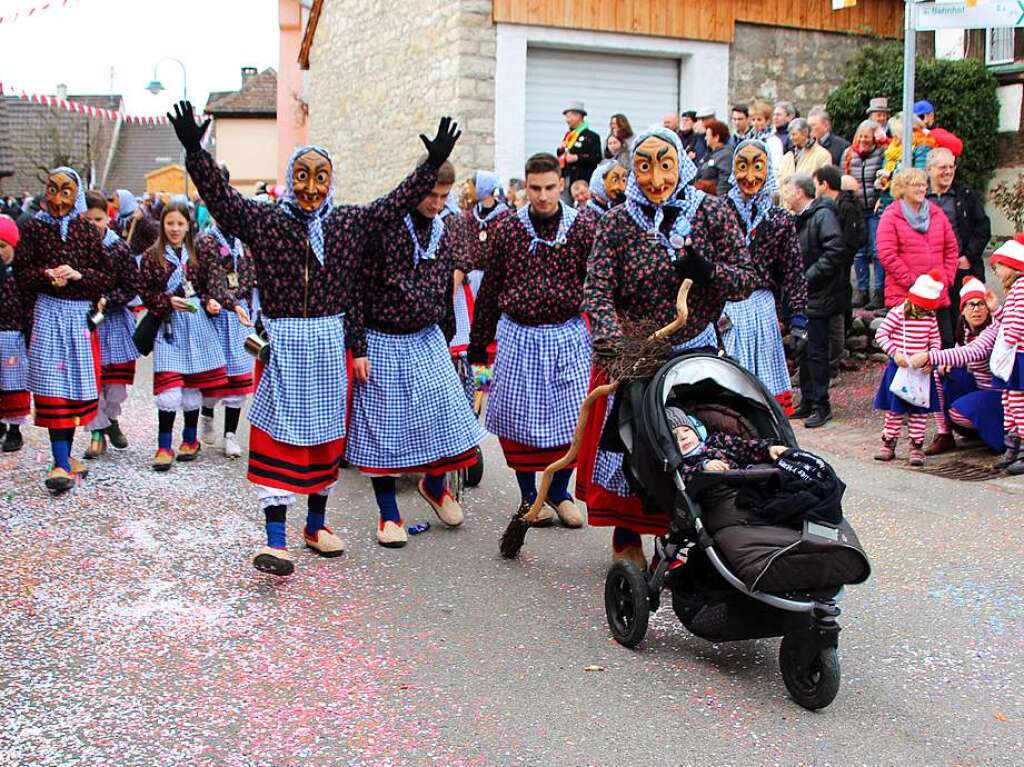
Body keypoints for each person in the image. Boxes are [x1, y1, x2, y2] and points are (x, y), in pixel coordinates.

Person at [170, 99, 461, 575]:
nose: (310, 188)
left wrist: (430, 165)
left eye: (319, 177)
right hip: (283, 345)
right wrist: (196, 154)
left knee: (326, 439)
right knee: (277, 437)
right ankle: (276, 538)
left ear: (331, 182)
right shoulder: (265, 222)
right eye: (302, 176)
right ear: (290, 178)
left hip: (330, 346)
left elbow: (394, 203)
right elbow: (222, 200)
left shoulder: (347, 224)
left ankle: (317, 525)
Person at [579, 125, 757, 570]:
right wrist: (616, 344)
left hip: (696, 350)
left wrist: (709, 270)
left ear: (681, 163)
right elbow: (596, 291)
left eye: (665, 165)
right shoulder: (618, 222)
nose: (655, 179)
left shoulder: (712, 214)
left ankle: (682, 533)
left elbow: (746, 278)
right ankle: (627, 532)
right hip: (640, 352)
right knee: (636, 440)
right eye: (644, 167)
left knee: (693, 439)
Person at [346, 158, 487, 547]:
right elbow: (355, 288)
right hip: (382, 338)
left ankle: (435, 485)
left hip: (427, 336)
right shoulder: (384, 227)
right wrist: (357, 346)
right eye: (430, 195)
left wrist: (447, 331)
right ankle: (388, 514)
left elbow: (445, 281)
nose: (437, 203)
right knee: (386, 429)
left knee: (444, 414)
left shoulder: (445, 226)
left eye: (443, 196)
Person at [468, 152, 596, 528]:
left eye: (550, 188)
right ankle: (529, 497)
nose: (542, 196)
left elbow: (600, 284)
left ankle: (559, 492)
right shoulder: (508, 229)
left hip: (567, 335)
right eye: (535, 188)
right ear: (525, 187)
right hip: (519, 335)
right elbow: (490, 291)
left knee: (573, 418)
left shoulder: (582, 228)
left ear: (561, 185)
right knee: (519, 421)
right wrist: (478, 348)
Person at [17, 167, 111, 493]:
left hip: (77, 316)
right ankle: (59, 461)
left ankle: (65, 456)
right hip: (47, 313)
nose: (58, 199)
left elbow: (105, 277)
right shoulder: (33, 229)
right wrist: (45, 275)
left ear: (78, 193)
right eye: (53, 190)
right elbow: (21, 275)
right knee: (52, 386)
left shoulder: (87, 231)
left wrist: (78, 275)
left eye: (66, 191)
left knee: (73, 388)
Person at [137, 200, 232, 473]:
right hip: (169, 326)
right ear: (162, 225)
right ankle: (164, 445)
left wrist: (211, 303)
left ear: (189, 225)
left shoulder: (197, 255)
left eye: (180, 223)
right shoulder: (151, 257)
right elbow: (145, 291)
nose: (175, 229)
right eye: (170, 223)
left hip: (197, 323)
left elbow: (207, 288)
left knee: (192, 388)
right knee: (168, 390)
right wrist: (167, 300)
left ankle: (190, 440)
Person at [722, 139, 807, 414]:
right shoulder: (719, 213)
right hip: (727, 307)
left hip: (762, 307)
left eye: (757, 166)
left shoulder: (779, 219)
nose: (749, 176)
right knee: (729, 382)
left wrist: (798, 318)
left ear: (768, 169)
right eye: (742, 166)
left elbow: (793, 271)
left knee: (765, 393)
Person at [911, 277, 1005, 456]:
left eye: (981, 304)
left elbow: (972, 353)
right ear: (962, 310)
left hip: (997, 395)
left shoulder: (993, 330)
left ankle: (997, 434)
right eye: (970, 305)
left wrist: (929, 356)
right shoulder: (965, 332)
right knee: (942, 372)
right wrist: (940, 365)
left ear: (988, 308)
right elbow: (958, 354)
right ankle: (944, 434)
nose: (976, 309)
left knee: (958, 411)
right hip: (977, 388)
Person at [81, 191, 140, 460]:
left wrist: (109, 298)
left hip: (114, 321)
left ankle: (112, 419)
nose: (93, 224)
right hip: (87, 321)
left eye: (98, 218)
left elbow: (131, 286)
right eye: (88, 219)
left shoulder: (119, 248)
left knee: (115, 385)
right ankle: (96, 432)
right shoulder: (75, 248)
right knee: (91, 380)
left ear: (108, 217)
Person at [782, 174, 844, 428]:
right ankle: (808, 400)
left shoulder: (822, 216)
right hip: (802, 297)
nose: (784, 195)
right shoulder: (796, 220)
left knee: (817, 351)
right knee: (804, 351)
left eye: (787, 190)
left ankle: (821, 405)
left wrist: (806, 278)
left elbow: (834, 251)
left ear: (799, 192)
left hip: (819, 295)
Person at [195, 207, 257, 459]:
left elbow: (251, 272)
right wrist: (220, 300)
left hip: (241, 314)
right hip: (218, 313)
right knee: (215, 374)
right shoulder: (206, 241)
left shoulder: (243, 239)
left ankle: (230, 434)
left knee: (238, 379)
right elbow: (210, 280)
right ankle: (207, 413)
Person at [875, 168, 958, 345]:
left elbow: (951, 248)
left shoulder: (937, 213)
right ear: (901, 188)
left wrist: (947, 278)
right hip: (905, 296)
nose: (922, 189)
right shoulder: (891, 216)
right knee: (910, 351)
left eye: (923, 184)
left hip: (937, 294)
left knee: (944, 348)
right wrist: (914, 283)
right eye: (915, 185)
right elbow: (887, 255)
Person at [872, 270, 944, 466]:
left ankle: (916, 445)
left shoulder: (929, 318)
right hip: (900, 368)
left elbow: (935, 340)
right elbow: (881, 334)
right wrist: (895, 353)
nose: (923, 312)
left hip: (920, 371)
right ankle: (889, 442)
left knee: (918, 410)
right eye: (920, 307)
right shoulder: (898, 313)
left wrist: (932, 359)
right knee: (895, 411)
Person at [814, 165, 866, 378]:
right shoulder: (828, 207)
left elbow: (852, 241)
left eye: (816, 184)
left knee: (836, 319)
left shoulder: (846, 207)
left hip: (839, 271)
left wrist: (836, 262)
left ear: (825, 185)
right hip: (830, 270)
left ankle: (833, 365)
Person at [925, 148, 991, 312]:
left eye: (951, 167)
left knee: (961, 321)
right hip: (928, 270)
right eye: (943, 168)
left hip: (960, 268)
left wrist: (968, 256)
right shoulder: (920, 195)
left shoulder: (965, 194)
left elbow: (983, 227)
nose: (948, 172)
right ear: (929, 169)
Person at [667, 406, 788, 483]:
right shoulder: (681, 463)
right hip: (721, 493)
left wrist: (768, 448)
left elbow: (744, 447)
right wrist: (704, 466)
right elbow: (686, 475)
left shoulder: (717, 440)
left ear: (698, 430)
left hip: (746, 477)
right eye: (675, 436)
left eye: (686, 430)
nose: (683, 437)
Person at [842, 120, 886, 309]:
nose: (864, 140)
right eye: (861, 135)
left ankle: (879, 291)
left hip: (875, 208)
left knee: (877, 251)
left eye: (868, 136)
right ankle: (861, 290)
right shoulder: (849, 154)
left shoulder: (881, 153)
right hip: (856, 208)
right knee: (858, 252)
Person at [990, 237, 1024, 474]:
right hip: (1012, 355)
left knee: (1019, 403)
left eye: (999, 266)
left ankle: (1022, 449)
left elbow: (1017, 323)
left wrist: (1007, 341)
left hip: (1018, 355)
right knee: (1009, 401)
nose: (996, 271)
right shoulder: (1014, 291)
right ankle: (1012, 445)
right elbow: (1009, 321)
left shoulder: (1022, 288)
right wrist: (996, 310)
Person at [0, 215, 30, 453]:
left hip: (14, 336)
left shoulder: (21, 273)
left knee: (14, 383)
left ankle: (14, 429)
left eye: (3, 245)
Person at [557, 100, 602, 200]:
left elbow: (597, 157)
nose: (567, 120)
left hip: (583, 180)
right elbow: (562, 157)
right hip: (568, 179)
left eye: (569, 116)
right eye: (566, 117)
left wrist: (577, 158)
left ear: (579, 116)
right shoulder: (569, 136)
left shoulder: (592, 136)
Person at [777, 118, 831, 187]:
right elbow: (779, 180)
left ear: (805, 133)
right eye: (790, 135)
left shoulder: (822, 155)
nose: (791, 138)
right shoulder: (787, 156)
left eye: (794, 134)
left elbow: (824, 183)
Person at [111, 189, 159, 263]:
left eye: (114, 199)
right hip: (124, 259)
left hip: (140, 259)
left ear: (123, 200)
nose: (112, 204)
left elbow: (154, 235)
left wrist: (143, 219)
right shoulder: (118, 218)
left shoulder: (140, 216)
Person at [697, 119, 733, 196]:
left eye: (707, 135)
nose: (705, 138)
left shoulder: (726, 155)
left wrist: (720, 200)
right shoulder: (708, 154)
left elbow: (724, 181)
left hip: (715, 200)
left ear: (716, 137)